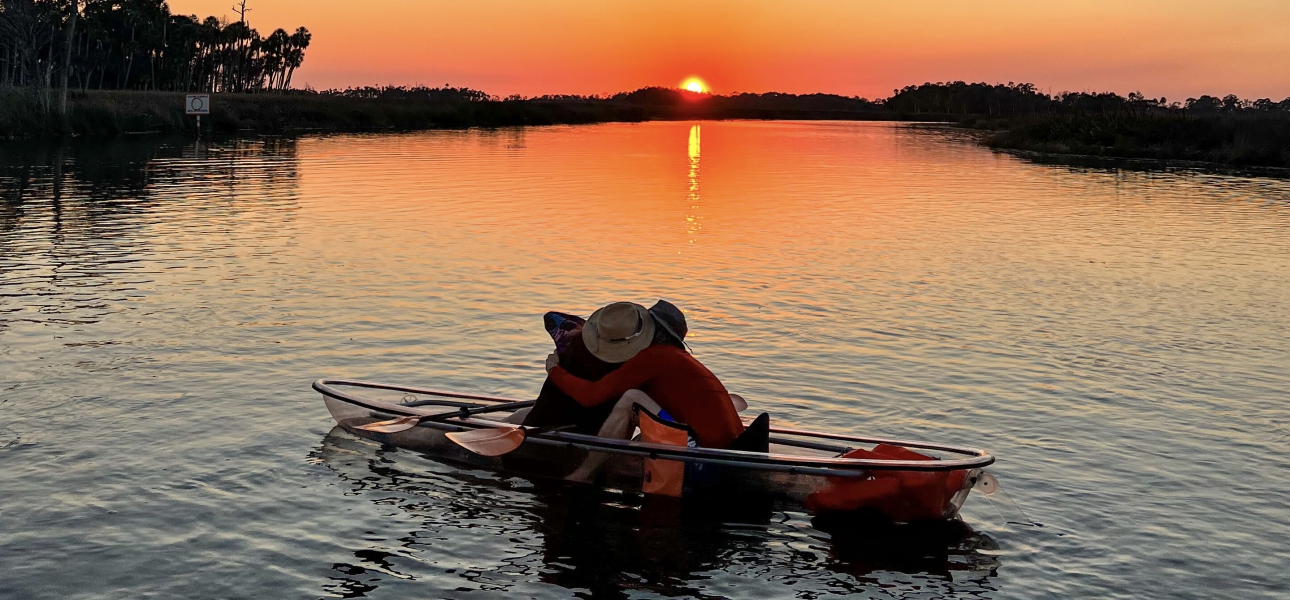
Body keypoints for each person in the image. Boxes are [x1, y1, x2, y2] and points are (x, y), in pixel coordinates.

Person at [545, 301, 746, 480]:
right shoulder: (680, 360)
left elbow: (590, 396)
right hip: (728, 454)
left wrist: (555, 371)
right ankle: (607, 463)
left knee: (632, 398)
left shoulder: (652, 357)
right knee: (638, 411)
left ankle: (583, 474)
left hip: (703, 459)